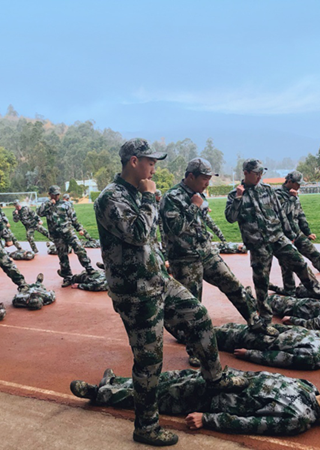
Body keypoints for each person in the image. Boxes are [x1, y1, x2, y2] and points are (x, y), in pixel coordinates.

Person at [94, 138, 249, 446]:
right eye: (151, 162)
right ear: (134, 161)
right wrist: (149, 197)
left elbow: (150, 239)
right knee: (149, 361)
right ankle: (146, 427)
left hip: (158, 280)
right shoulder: (111, 197)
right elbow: (138, 234)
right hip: (136, 294)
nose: (154, 168)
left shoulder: (137, 193)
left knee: (199, 317)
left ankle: (215, 378)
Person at [161, 157, 278, 366]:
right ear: (190, 176)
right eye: (204, 179)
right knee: (193, 306)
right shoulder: (171, 197)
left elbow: (201, 223)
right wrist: (194, 207)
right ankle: (195, 349)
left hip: (206, 253)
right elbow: (175, 228)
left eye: (209, 178)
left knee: (233, 285)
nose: (207, 183)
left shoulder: (199, 195)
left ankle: (256, 323)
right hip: (185, 259)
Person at [71, 368, 320, 435]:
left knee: (159, 396)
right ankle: (115, 382)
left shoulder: (299, 418)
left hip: (214, 400)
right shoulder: (307, 387)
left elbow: (251, 424)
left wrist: (208, 419)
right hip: (222, 380)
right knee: (165, 378)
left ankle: (99, 394)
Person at [225, 159, 320, 324]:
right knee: (261, 282)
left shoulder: (267, 190)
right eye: (256, 173)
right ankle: (265, 318)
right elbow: (230, 218)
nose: (259, 176)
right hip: (258, 244)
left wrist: (290, 234)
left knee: (300, 264)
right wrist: (238, 198)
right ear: (246, 173)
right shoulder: (234, 195)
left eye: (261, 173)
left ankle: (319, 294)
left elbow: (280, 213)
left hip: (278, 238)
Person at [215, 323, 320, 370]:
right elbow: (301, 330)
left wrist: (249, 354)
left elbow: (280, 358)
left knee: (214, 334)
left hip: (258, 342)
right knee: (227, 326)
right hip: (269, 330)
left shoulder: (315, 357)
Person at [38, 185, 96, 287]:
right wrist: (49, 203)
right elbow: (39, 213)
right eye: (54, 194)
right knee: (62, 256)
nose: (56, 196)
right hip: (57, 235)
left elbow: (73, 218)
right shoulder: (46, 205)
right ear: (49, 194)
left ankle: (89, 268)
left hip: (68, 232)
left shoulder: (66, 204)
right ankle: (67, 277)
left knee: (79, 249)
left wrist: (79, 229)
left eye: (57, 194)